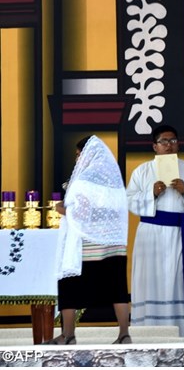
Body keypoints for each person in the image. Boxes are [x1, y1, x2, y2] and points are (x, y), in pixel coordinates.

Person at [47, 135, 131, 344]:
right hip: (113, 244)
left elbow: (81, 214)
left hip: (86, 245)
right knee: (117, 289)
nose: (77, 160)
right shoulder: (112, 180)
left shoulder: (83, 181)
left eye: (79, 155)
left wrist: (59, 208)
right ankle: (124, 334)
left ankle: (68, 335)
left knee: (68, 285)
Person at [126, 125, 184, 337]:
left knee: (178, 279)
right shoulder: (142, 171)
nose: (169, 146)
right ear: (154, 146)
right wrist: (151, 194)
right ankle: (148, 332)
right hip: (151, 235)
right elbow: (129, 201)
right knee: (151, 279)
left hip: (180, 235)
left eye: (173, 141)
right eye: (164, 142)